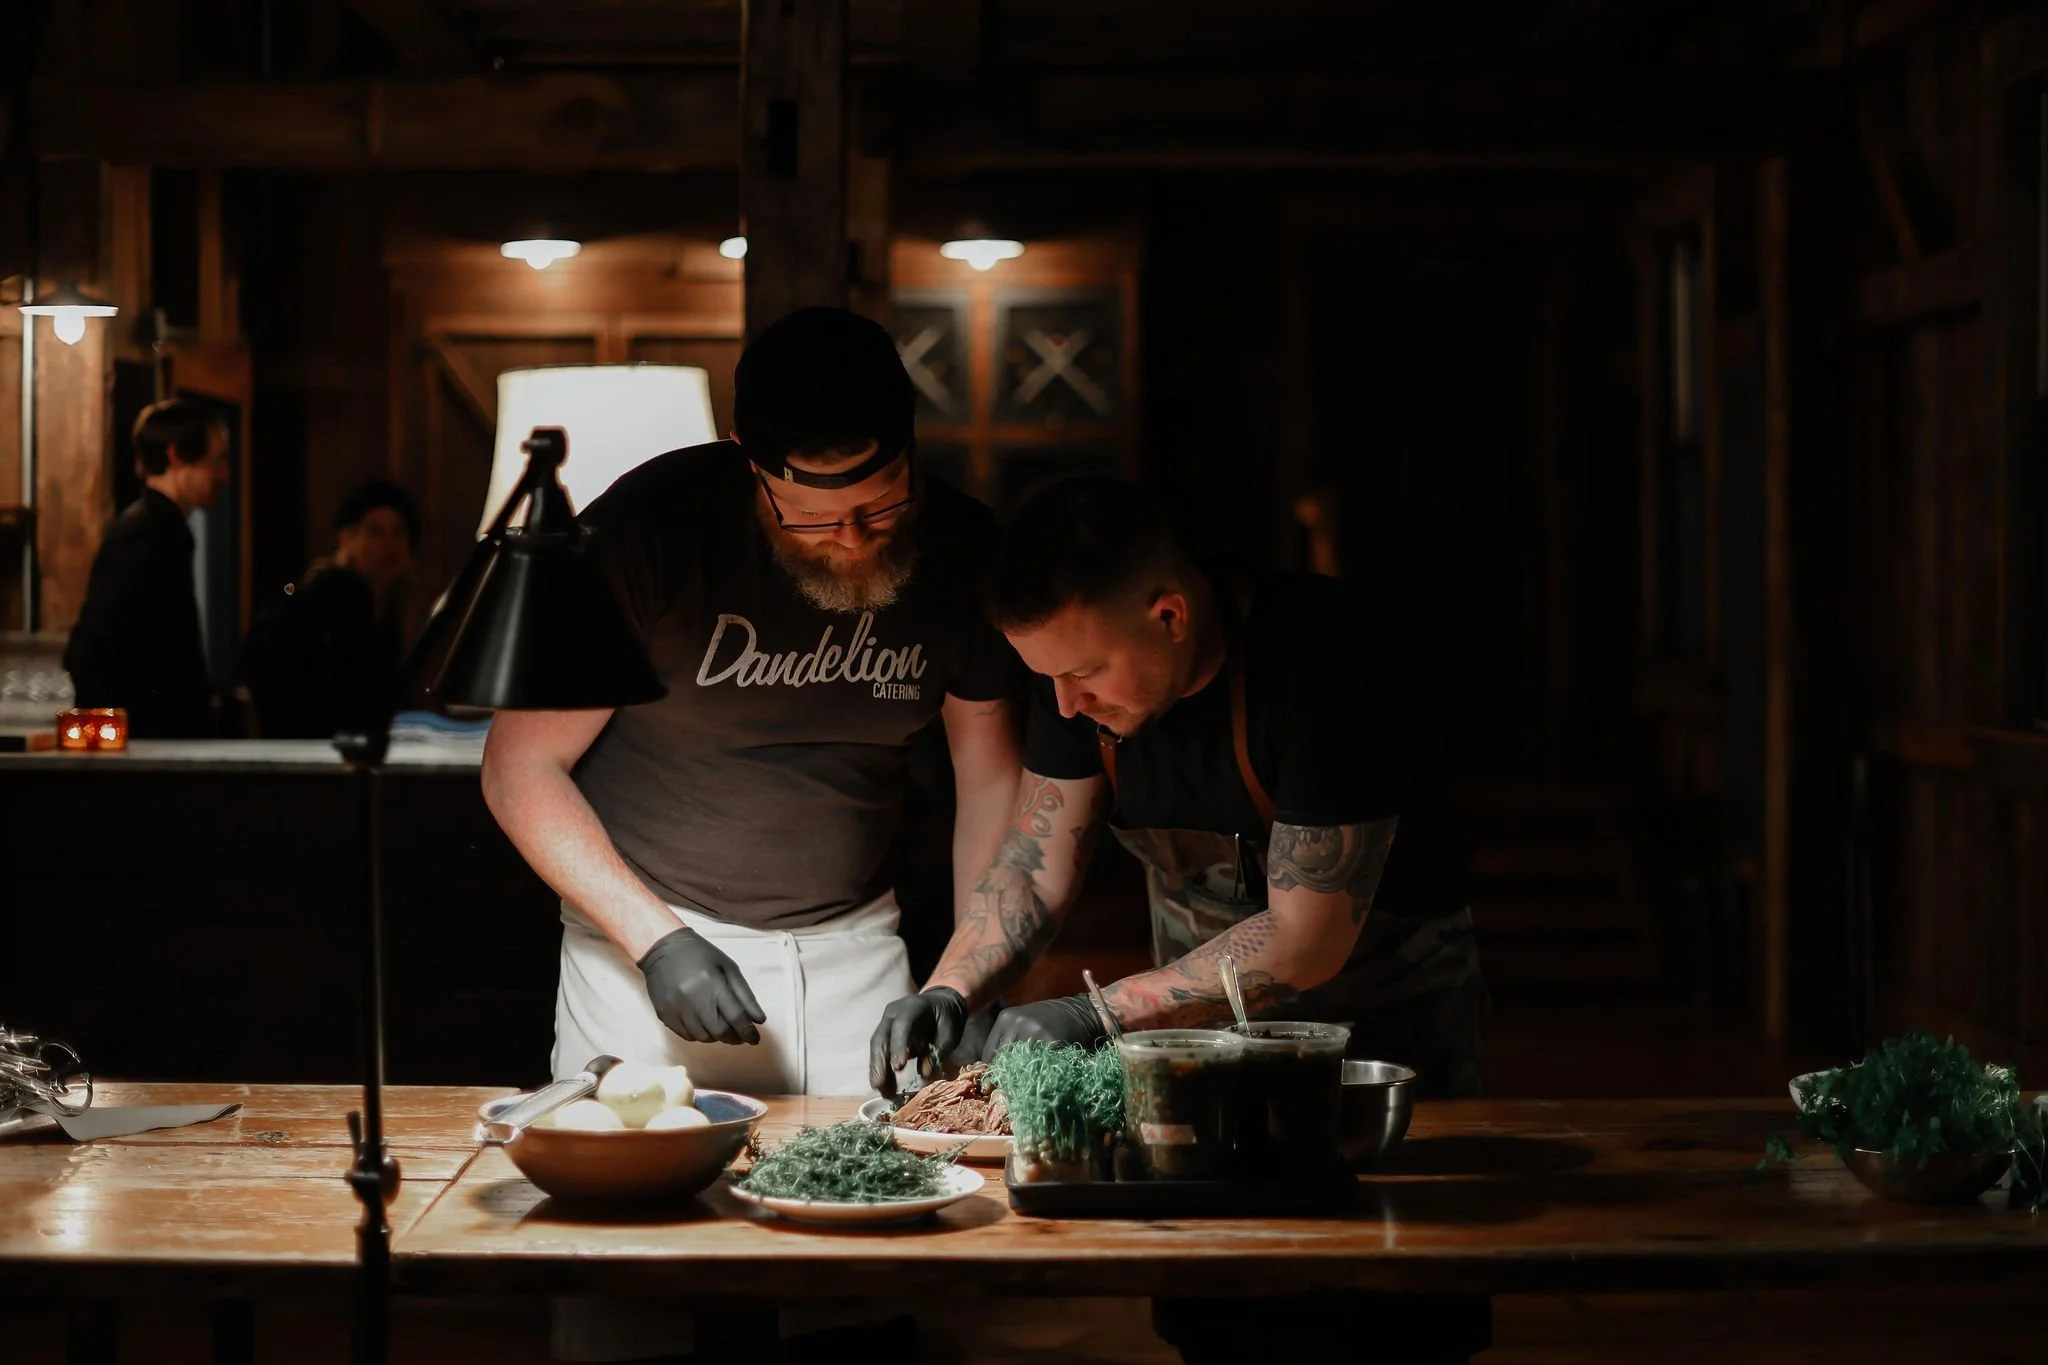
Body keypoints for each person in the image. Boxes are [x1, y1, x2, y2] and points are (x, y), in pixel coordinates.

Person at [480, 306, 1022, 1362]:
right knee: (634, 1287)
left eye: (879, 506)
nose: (854, 540)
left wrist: (966, 974)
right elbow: (518, 766)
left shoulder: (962, 551)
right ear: (747, 463)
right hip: (646, 957)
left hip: (856, 954)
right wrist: (655, 938)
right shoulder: (644, 533)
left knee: (857, 1285)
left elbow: (988, 780)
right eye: (814, 518)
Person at [869, 476, 1490, 1364]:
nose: (1067, 706)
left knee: (1383, 1318)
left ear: (1169, 615)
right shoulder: (1077, 686)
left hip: (1378, 1072)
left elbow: (1305, 937)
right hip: (1200, 1071)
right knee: (1221, 1320)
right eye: (1050, 681)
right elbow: (1035, 866)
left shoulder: (1323, 658)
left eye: (1082, 674)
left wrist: (1091, 1014)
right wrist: (951, 983)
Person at [64, 399, 231, 738]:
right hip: (143, 749)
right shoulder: (148, 532)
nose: (224, 474)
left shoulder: (158, 527)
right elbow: (92, 650)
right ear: (176, 456)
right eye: (216, 460)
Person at [246, 480, 419, 738]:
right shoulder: (336, 590)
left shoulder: (387, 601)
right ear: (347, 539)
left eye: (399, 531)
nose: (390, 544)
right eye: (376, 532)